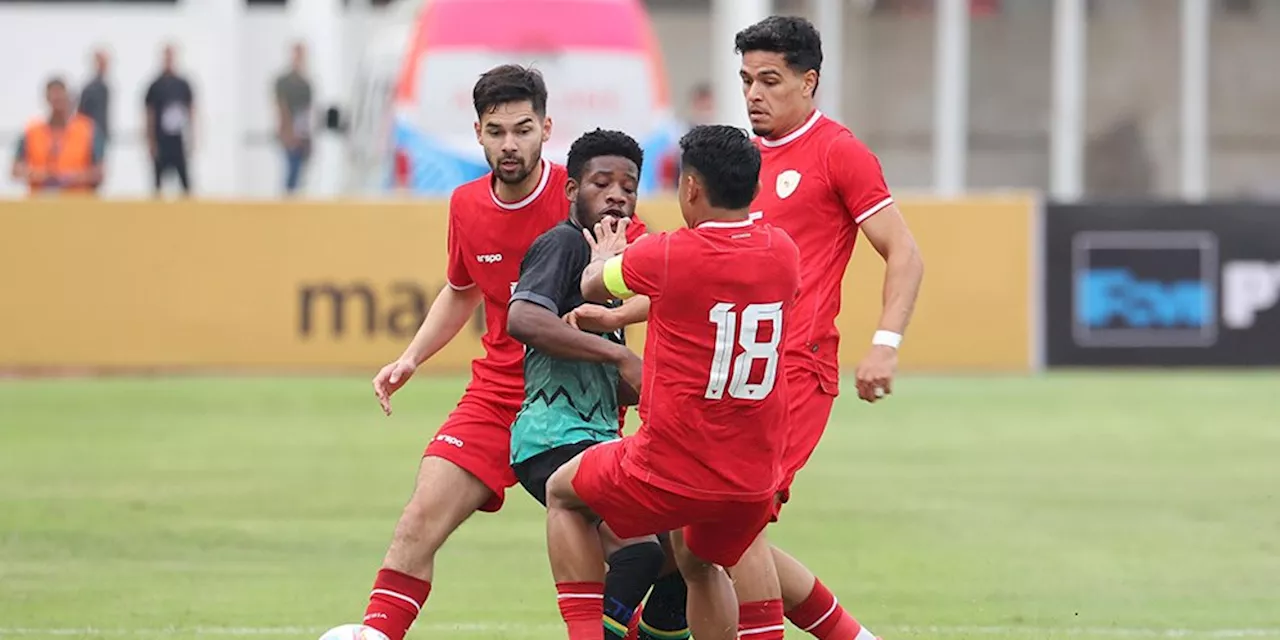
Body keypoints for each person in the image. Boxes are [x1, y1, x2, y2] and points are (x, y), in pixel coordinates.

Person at [567, 16, 924, 640]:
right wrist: (621, 314)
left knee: (731, 534)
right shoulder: (740, 164)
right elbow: (711, 281)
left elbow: (905, 252)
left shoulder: (837, 152)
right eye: (745, 80)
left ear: (809, 82)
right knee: (703, 541)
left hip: (793, 374)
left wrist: (885, 346)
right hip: (726, 374)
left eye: (770, 80)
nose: (753, 94)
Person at [355, 65, 643, 640]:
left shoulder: (584, 191)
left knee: (636, 552)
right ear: (479, 134)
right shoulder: (464, 204)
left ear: (546, 128)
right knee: (417, 524)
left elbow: (643, 280)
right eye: (497, 131)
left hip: (575, 404)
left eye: (523, 128)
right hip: (494, 399)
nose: (510, 144)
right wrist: (411, 357)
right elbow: (462, 291)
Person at [544, 124, 801, 640]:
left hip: (667, 469)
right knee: (698, 559)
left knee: (563, 494)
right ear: (753, 189)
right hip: (752, 479)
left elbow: (594, 283)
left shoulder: (668, 253)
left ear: (689, 188)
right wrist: (617, 322)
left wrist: (603, 254)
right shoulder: (783, 252)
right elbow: (704, 301)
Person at [505, 128, 664, 640]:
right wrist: (619, 352)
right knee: (641, 554)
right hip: (552, 437)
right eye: (602, 182)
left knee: (685, 560)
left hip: (596, 440)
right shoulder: (563, 243)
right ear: (572, 190)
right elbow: (524, 320)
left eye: (629, 185)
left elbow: (605, 378)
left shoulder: (613, 267)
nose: (618, 194)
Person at [12, 77, 105, 195]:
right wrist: (38, 175)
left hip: (77, 204)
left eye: (60, 97)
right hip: (39, 203)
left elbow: (99, 173)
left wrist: (71, 178)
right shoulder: (32, 131)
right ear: (47, 99)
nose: (57, 102)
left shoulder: (88, 130)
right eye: (54, 98)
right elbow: (16, 169)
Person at [145, 43, 195, 197]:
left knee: (185, 181)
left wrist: (192, 137)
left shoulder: (183, 84)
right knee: (158, 182)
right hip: (161, 139)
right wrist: (150, 141)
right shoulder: (155, 85)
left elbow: (191, 110)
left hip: (177, 139)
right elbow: (149, 113)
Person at [275, 42, 313, 195]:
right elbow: (281, 108)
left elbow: (307, 111)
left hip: (302, 133)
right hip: (288, 132)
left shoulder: (305, 84)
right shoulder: (284, 82)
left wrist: (306, 135)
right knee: (291, 170)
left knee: (299, 172)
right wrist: (288, 133)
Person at [79, 48, 111, 149]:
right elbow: (82, 111)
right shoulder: (91, 88)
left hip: (101, 131)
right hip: (92, 132)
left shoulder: (103, 86)